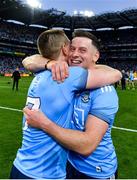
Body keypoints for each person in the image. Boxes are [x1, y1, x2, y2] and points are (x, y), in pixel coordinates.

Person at [10, 29, 121, 179]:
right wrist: (50, 63)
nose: (75, 54)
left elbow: (87, 145)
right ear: (65, 49)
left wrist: (44, 124)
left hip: (95, 171)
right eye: (72, 49)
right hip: (66, 165)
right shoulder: (63, 75)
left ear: (96, 56)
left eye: (82, 50)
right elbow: (29, 60)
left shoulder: (103, 90)